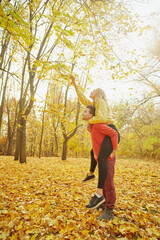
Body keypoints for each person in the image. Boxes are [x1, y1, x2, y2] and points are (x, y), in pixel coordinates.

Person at [70, 76, 120, 206]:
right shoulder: (94, 104)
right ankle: (92, 173)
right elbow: (83, 99)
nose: (90, 93)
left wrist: (90, 122)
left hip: (110, 131)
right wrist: (75, 85)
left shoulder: (101, 102)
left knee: (103, 159)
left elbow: (102, 118)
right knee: (94, 152)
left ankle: (100, 196)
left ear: (98, 93)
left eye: (93, 91)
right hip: (105, 131)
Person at [82, 105, 118, 220]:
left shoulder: (97, 124)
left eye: (85, 111)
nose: (83, 113)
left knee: (108, 183)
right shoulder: (92, 125)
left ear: (91, 115)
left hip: (108, 157)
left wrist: (114, 150)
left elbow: (114, 133)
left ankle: (109, 211)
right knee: (104, 180)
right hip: (101, 157)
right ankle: (104, 202)